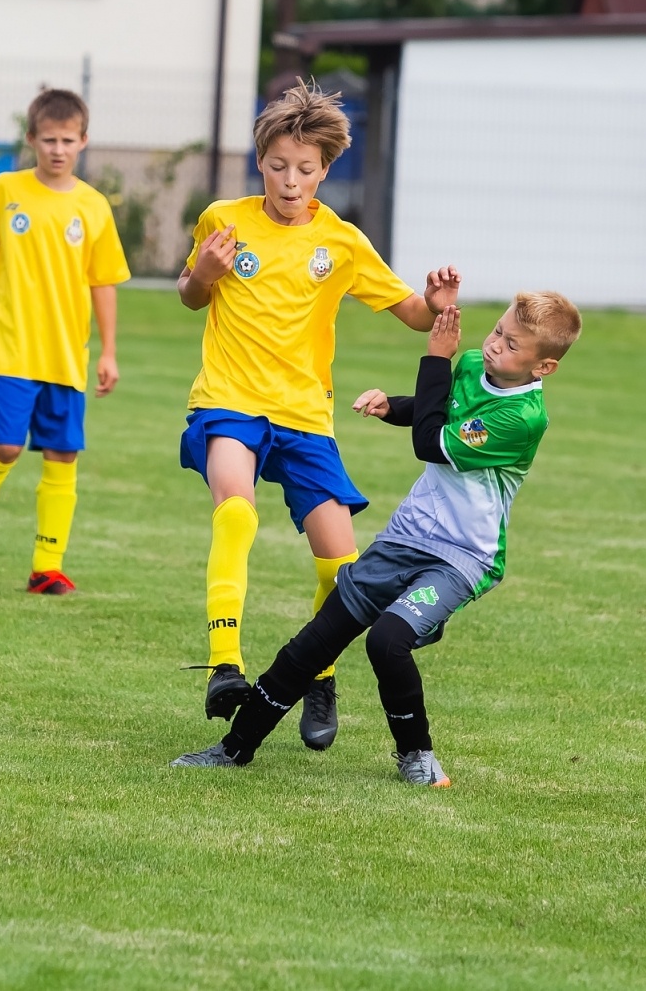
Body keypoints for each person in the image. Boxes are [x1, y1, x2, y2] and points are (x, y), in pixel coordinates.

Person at [172, 293, 579, 785]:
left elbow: (431, 442)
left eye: (511, 344)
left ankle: (418, 755)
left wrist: (434, 357)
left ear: (545, 366)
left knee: (388, 640)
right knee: (318, 638)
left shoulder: (524, 418)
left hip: (461, 558)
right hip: (407, 536)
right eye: (496, 331)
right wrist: (394, 408)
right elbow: (441, 412)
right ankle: (234, 748)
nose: (493, 346)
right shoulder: (473, 366)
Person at [177, 81, 458, 746]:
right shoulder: (224, 218)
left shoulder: (342, 241)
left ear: (325, 169)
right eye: (278, 166)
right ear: (260, 161)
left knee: (342, 562)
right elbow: (190, 296)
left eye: (305, 169)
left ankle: (321, 675)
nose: (290, 180)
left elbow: (412, 314)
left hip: (305, 414)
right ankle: (224, 663)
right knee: (235, 507)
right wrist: (205, 272)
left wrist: (435, 299)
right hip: (229, 399)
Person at [0, 88, 130, 594]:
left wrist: (108, 351)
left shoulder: (92, 206)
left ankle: (47, 566)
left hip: (66, 355)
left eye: (68, 140)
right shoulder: (6, 189)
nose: (58, 149)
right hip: (10, 348)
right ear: (31, 139)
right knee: (3, 447)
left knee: (62, 456)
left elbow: (103, 282)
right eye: (49, 139)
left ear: (84, 141)